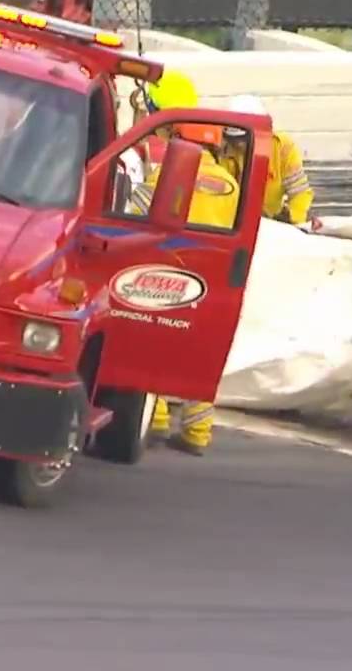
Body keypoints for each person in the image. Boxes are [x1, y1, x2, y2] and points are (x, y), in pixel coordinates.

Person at [132, 70, 242, 457]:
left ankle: (156, 416)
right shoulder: (231, 184)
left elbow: (133, 214)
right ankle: (197, 433)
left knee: (153, 343)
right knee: (200, 353)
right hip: (216, 278)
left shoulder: (165, 175)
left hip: (169, 272)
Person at [218, 94, 316, 226]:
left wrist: (294, 220)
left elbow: (299, 191)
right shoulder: (220, 150)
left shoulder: (282, 147)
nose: (239, 145)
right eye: (234, 140)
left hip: (272, 224)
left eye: (244, 139)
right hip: (230, 223)